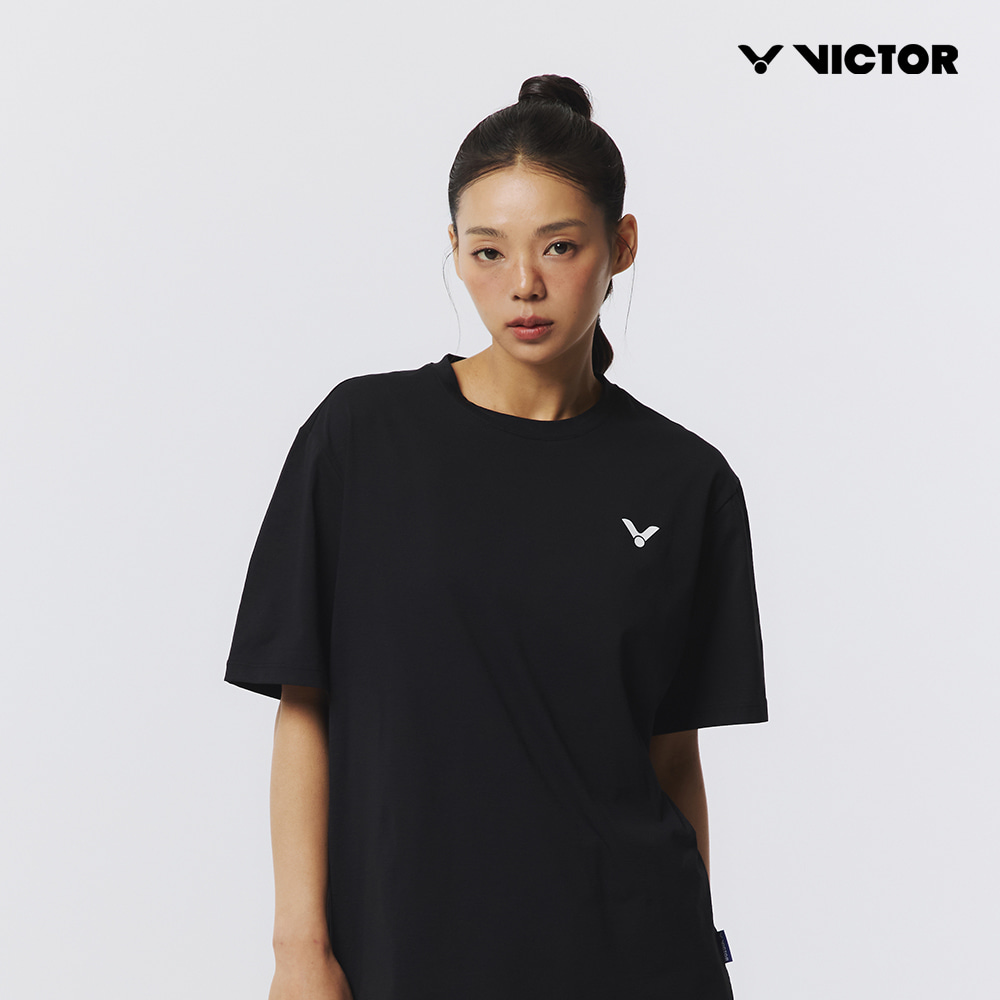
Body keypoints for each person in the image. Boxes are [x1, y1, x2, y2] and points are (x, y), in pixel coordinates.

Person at [225, 74, 768, 1000]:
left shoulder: (686, 482)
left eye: (560, 246)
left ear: (620, 245)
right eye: (488, 251)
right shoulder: (361, 437)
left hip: (633, 958)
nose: (524, 284)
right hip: (404, 950)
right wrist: (298, 953)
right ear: (454, 250)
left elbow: (671, 754)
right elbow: (304, 709)